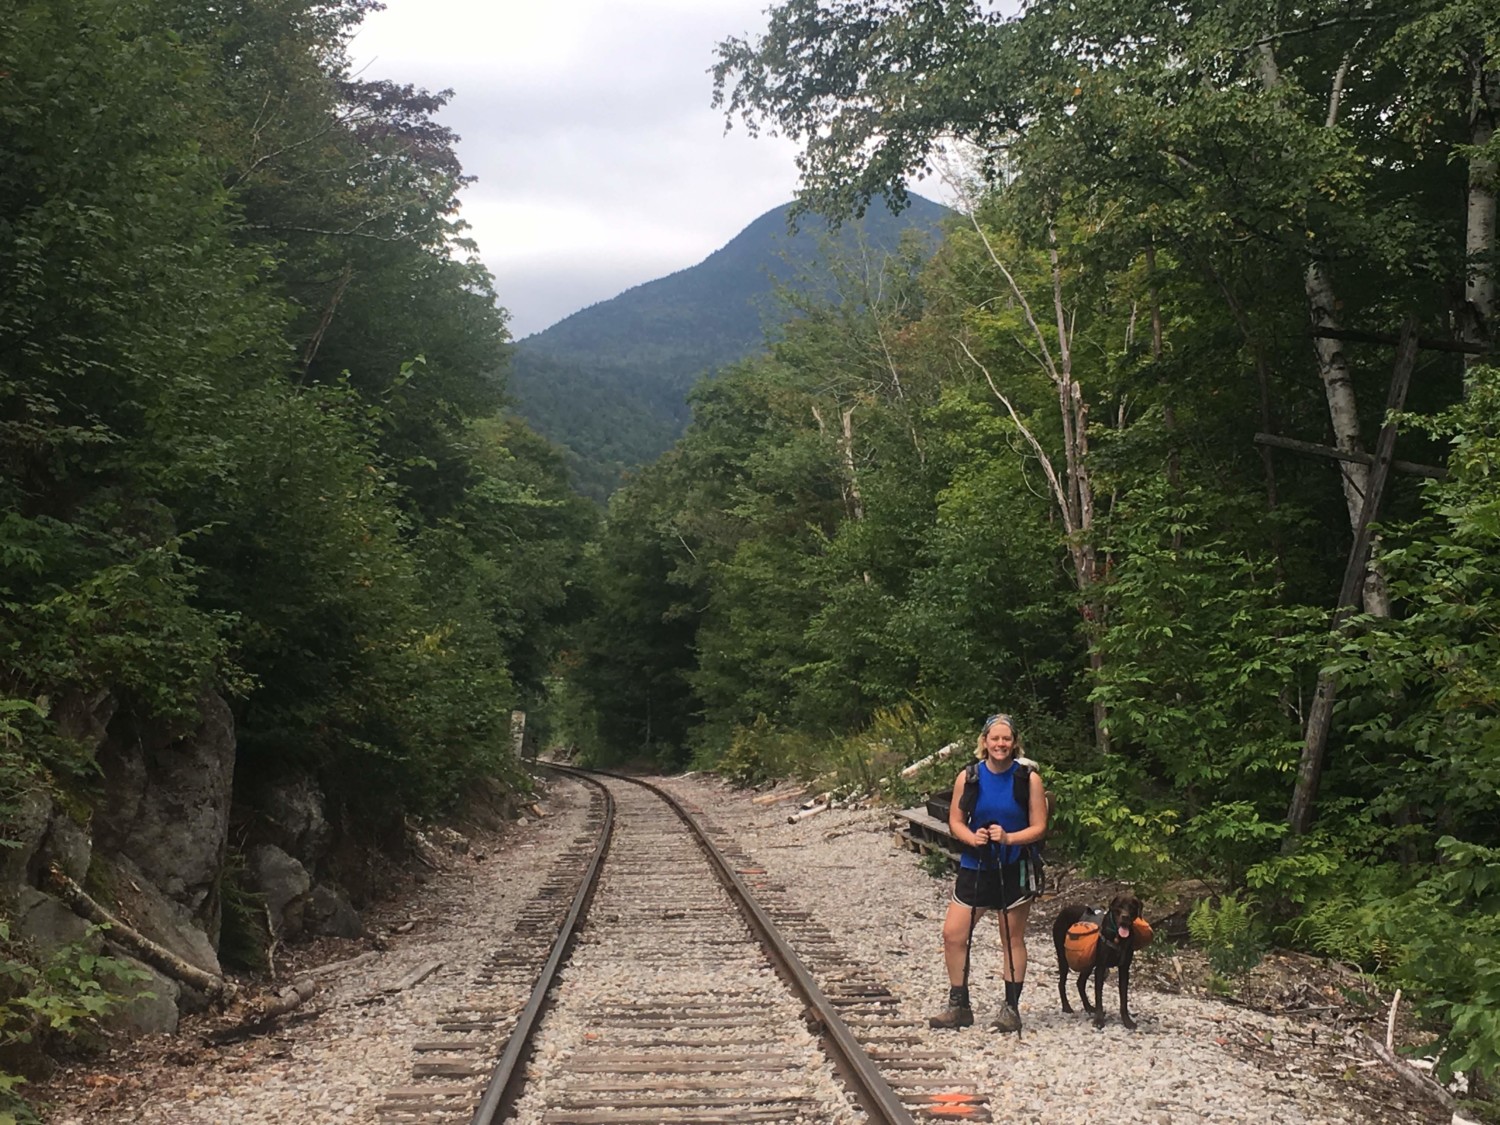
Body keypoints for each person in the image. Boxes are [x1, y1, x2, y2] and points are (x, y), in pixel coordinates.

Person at [928, 712, 1048, 1032]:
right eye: (994, 738)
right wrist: (972, 838)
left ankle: (1010, 1008)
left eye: (1006, 739)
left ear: (1014, 743)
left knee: (1011, 938)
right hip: (976, 863)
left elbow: (1039, 827)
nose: (1000, 744)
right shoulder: (969, 776)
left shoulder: (1028, 779)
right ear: (984, 742)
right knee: (953, 934)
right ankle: (959, 1005)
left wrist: (1009, 838)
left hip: (1015, 864)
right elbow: (955, 821)